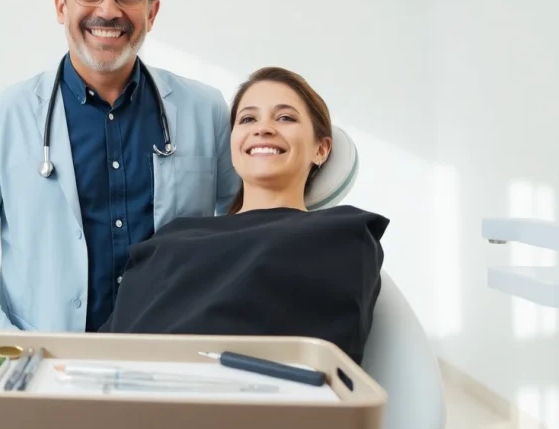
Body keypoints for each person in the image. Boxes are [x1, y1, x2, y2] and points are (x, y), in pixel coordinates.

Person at [0, 0, 240, 333]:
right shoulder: (4, 116)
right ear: (62, 6)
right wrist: (0, 339)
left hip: (169, 348)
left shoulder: (206, 109)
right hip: (47, 354)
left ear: (152, 12)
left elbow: (241, 224)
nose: (108, 11)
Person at [98, 67, 388, 365]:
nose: (263, 128)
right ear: (233, 143)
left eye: (285, 117)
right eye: (248, 118)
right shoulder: (172, 238)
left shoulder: (342, 235)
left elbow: (319, 365)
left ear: (322, 149)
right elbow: (104, 348)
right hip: (121, 397)